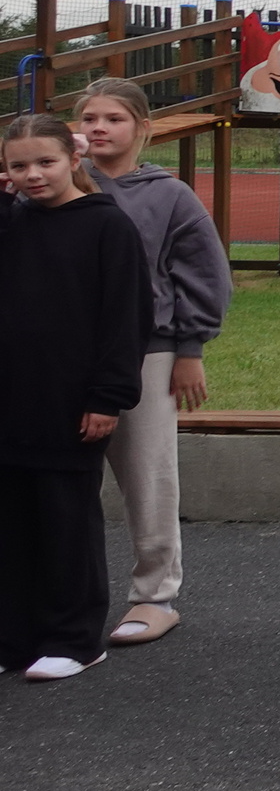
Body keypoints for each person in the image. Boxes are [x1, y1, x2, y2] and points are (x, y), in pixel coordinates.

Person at [74, 76, 232, 648]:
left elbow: (205, 276)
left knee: (148, 476)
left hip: (148, 352)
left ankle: (155, 594)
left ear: (143, 127)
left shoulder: (169, 196)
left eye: (113, 118)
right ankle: (58, 592)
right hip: (64, 355)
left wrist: (189, 349)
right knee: (60, 480)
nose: (99, 128)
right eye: (89, 118)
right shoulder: (59, 182)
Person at [0, 114, 151, 682]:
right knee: (11, 525)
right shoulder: (12, 222)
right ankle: (14, 637)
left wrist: (108, 397)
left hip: (69, 403)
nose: (33, 175)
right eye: (19, 166)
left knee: (65, 522)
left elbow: (125, 319)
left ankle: (75, 638)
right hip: (11, 403)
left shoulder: (106, 226)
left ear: (74, 158)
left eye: (46, 162)